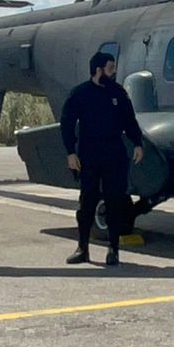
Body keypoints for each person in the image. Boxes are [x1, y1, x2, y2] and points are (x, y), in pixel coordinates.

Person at [60, 51, 145, 267]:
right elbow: (67, 123)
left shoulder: (118, 93)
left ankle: (113, 250)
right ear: (98, 70)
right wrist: (71, 152)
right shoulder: (80, 93)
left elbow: (129, 119)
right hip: (89, 153)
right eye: (110, 68)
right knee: (87, 201)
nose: (113, 71)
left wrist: (137, 143)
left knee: (115, 201)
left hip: (114, 153)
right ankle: (82, 248)